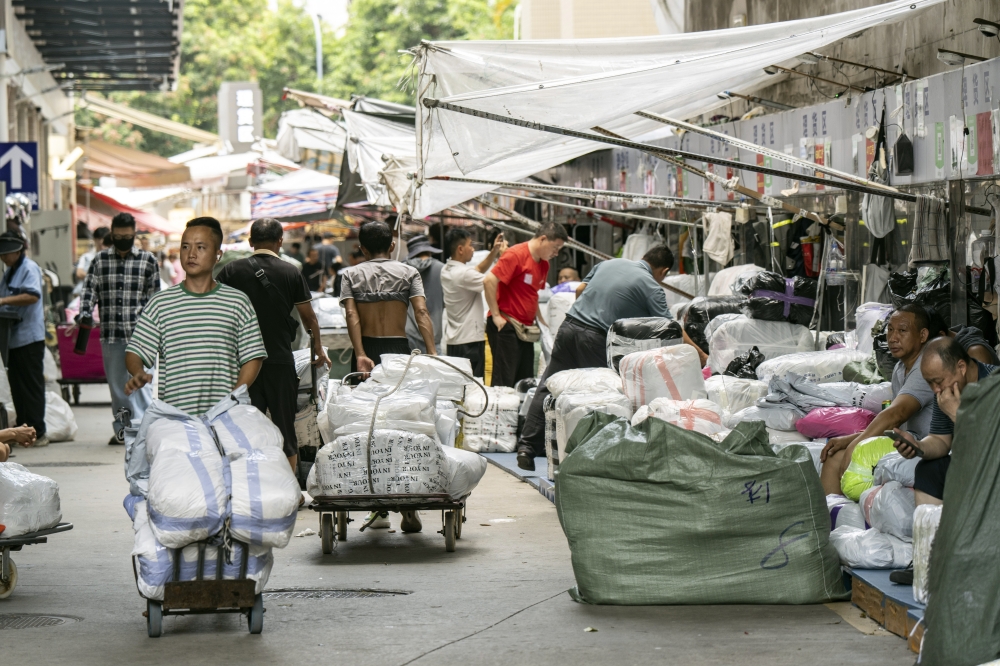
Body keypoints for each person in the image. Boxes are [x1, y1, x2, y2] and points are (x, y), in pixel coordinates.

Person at [515, 246, 676, 470]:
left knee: (547, 385)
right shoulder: (652, 286)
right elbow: (669, 328)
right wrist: (699, 353)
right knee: (604, 395)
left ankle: (526, 448)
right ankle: (592, 458)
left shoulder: (609, 263)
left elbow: (580, 290)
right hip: (596, 338)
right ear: (664, 271)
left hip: (569, 327)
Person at [338, 220, 435, 533]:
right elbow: (421, 314)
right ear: (393, 245)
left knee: (368, 427)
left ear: (362, 249)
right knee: (402, 424)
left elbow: (352, 315)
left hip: (365, 352)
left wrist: (360, 352)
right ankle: (408, 506)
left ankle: (379, 508)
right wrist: (432, 353)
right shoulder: (408, 273)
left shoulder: (351, 275)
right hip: (399, 351)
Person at [124, 217, 267, 418]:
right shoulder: (161, 304)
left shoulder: (237, 302)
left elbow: (253, 355)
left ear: (218, 255)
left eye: (200, 247)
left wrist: (235, 395)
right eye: (185, 247)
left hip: (227, 417)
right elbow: (136, 351)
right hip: (177, 419)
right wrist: (138, 372)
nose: (191, 254)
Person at [218, 218, 330, 471]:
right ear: (280, 241)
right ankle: (290, 488)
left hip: (244, 364)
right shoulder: (291, 272)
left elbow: (219, 314)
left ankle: (253, 485)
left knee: (247, 427)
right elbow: (308, 317)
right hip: (280, 361)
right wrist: (318, 349)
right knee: (284, 429)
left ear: (250, 242)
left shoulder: (231, 271)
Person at [819, 304, 937, 495]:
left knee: (842, 460)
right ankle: (840, 518)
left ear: (923, 335)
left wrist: (854, 446)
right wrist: (851, 439)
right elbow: (895, 427)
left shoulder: (926, 366)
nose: (892, 338)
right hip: (907, 444)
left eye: (902, 331)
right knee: (834, 455)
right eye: (890, 329)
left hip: (930, 450)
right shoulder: (901, 367)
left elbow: (896, 414)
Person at [78, 213, 160, 445]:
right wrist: (84, 312)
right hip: (112, 335)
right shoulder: (100, 261)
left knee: (142, 385)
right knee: (117, 388)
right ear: (112, 235)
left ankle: (144, 432)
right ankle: (123, 431)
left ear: (134, 235)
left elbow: (155, 299)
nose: (123, 239)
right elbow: (89, 292)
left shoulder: (148, 261)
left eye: (128, 236)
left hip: (142, 337)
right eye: (119, 236)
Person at [484, 223, 567, 388]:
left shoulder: (543, 264)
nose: (556, 253)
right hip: (506, 325)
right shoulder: (515, 255)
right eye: (555, 247)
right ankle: (501, 413)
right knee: (504, 381)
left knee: (525, 380)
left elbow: (532, 293)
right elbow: (489, 281)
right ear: (543, 239)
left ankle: (519, 412)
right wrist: (496, 316)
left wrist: (541, 321)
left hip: (526, 329)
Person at [0, 232, 49, 446]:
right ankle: (22, 431)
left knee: (31, 386)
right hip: (14, 339)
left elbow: (32, 295)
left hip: (29, 337)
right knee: (17, 387)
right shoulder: (10, 272)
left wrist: (2, 301)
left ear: (17, 251)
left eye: (6, 254)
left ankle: (38, 431)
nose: (3, 258)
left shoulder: (29, 268)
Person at [440, 228, 507, 377]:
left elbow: (476, 270)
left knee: (458, 387)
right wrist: (505, 257)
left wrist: (494, 251)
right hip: (469, 342)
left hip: (454, 341)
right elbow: (490, 282)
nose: (473, 249)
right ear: (460, 249)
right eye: (470, 245)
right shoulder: (464, 274)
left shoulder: (447, 269)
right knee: (473, 388)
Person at [404, 234, 444, 354]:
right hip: (433, 335)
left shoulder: (403, 270)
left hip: (408, 333)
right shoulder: (441, 269)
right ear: (429, 250)